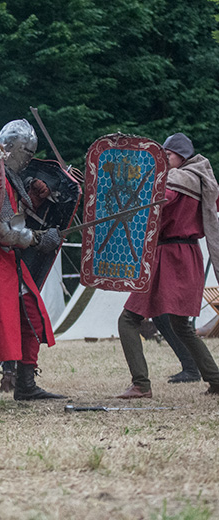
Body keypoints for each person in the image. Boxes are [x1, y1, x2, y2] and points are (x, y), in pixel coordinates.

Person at [0, 119, 65, 406]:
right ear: (8, 148)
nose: (29, 159)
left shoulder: (9, 177)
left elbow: (16, 216)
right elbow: (6, 232)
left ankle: (26, 383)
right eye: (26, 152)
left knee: (31, 317)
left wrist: (36, 196)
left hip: (9, 261)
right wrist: (39, 239)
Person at [116, 133, 219, 398]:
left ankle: (141, 384)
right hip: (187, 255)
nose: (163, 159)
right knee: (180, 324)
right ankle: (216, 380)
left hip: (169, 255)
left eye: (168, 155)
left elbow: (159, 199)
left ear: (181, 157)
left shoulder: (178, 178)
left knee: (128, 319)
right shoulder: (203, 181)